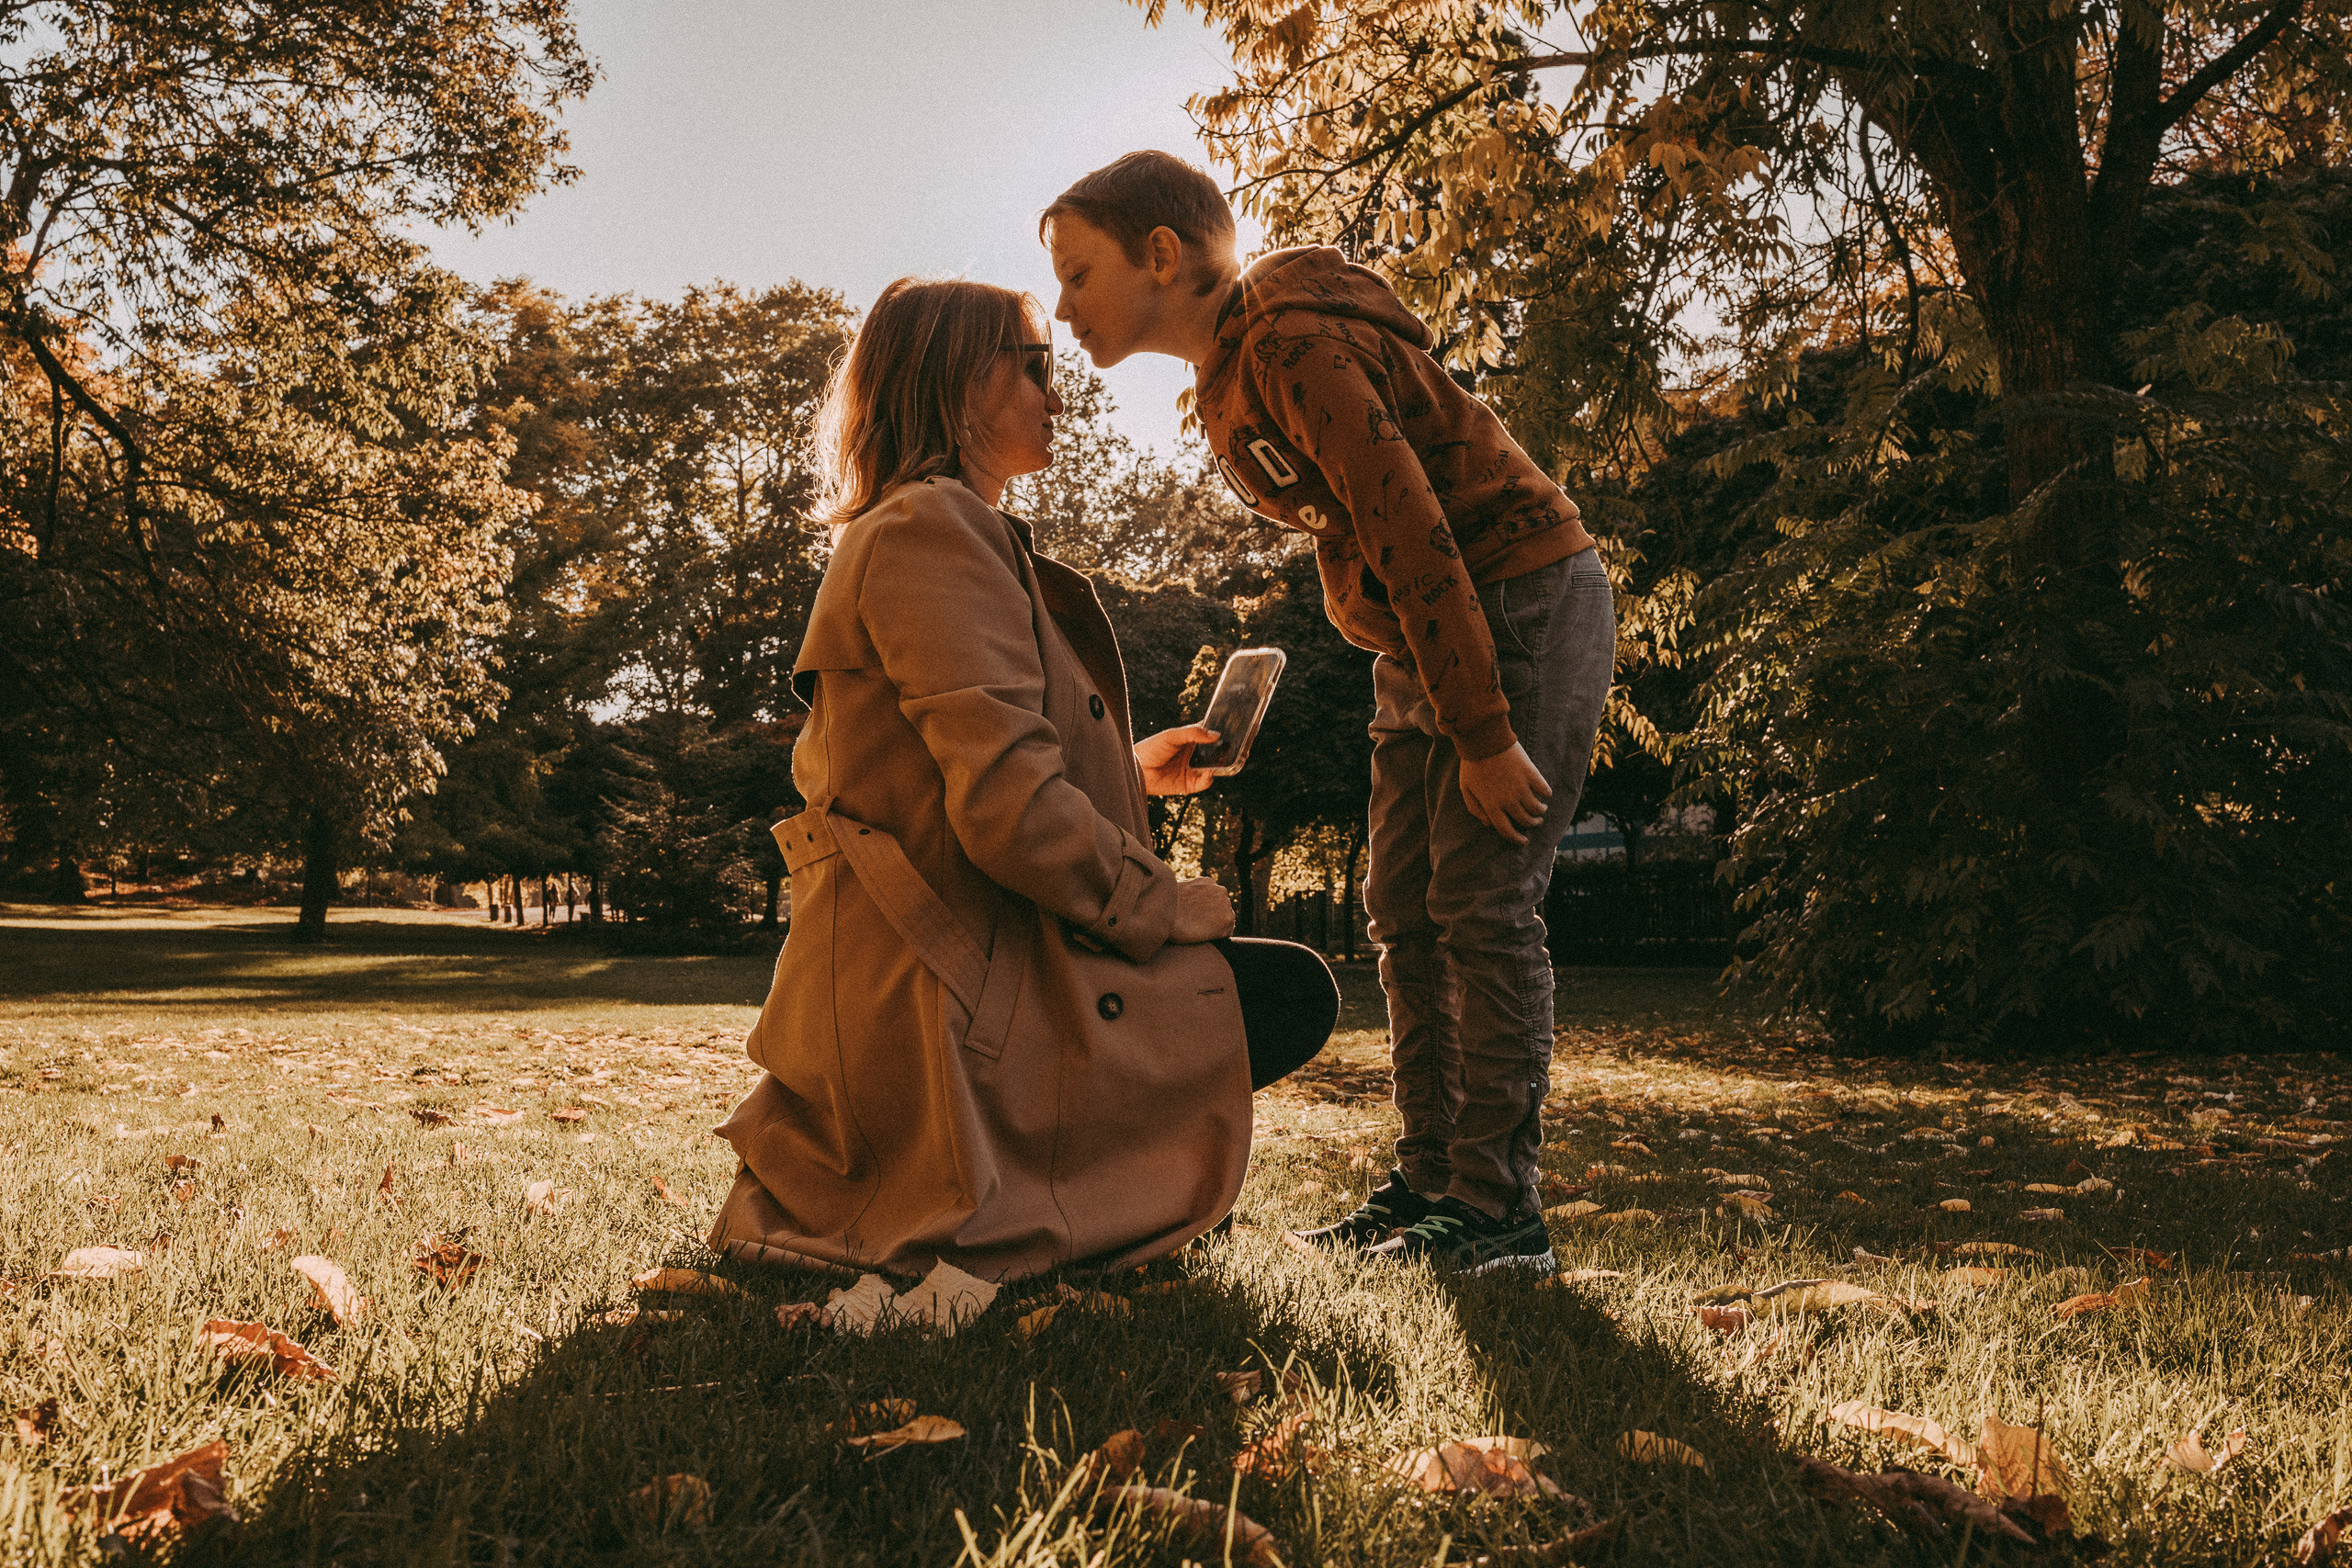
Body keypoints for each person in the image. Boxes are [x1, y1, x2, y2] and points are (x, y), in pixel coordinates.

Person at [1041, 152, 1615, 1276]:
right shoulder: (1229, 373)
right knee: (1399, 909)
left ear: (1161, 256)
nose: (1061, 308)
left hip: (1510, 599)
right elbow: (1372, 542)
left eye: (1076, 273)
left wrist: (1488, 735)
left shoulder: (1292, 342)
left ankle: (1502, 1211)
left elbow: (1409, 526)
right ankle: (1431, 1181)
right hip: (1424, 630)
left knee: (1484, 904)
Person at [706, 276, 1337, 1282]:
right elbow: (1004, 809)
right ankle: (1082, 1184)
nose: (1058, 395)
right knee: (1282, 990)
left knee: (1265, 994)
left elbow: (944, 770)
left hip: (938, 956)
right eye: (1033, 369)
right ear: (958, 387)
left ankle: (1096, 1170)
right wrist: (1160, 904)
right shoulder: (931, 530)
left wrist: (1130, 770)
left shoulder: (926, 529)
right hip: (950, 977)